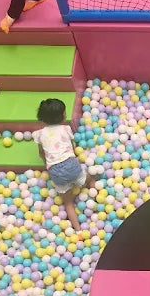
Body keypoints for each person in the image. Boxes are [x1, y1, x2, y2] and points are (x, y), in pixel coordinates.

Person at [33, 98, 103, 231]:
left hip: (55, 171)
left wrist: (48, 164)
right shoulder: (66, 129)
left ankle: (77, 230)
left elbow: (42, 153)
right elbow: (71, 147)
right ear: (62, 116)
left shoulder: (39, 134)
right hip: (71, 165)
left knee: (68, 203)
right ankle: (99, 197)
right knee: (88, 178)